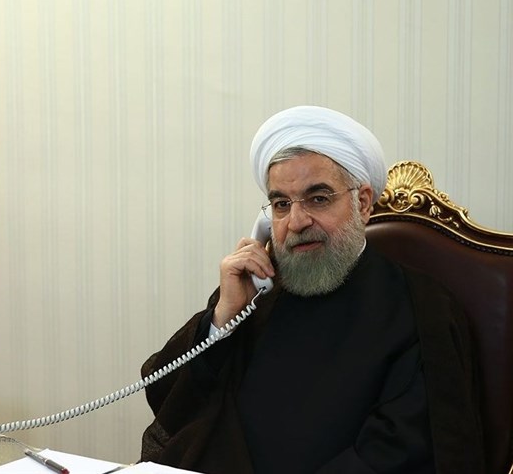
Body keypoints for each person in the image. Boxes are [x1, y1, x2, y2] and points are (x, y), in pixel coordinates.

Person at [140, 106, 485, 474]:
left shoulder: (423, 309)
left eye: (318, 198)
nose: (297, 222)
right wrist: (222, 319)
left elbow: (401, 452)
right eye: (281, 204)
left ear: (362, 203)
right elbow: (167, 397)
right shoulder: (256, 292)